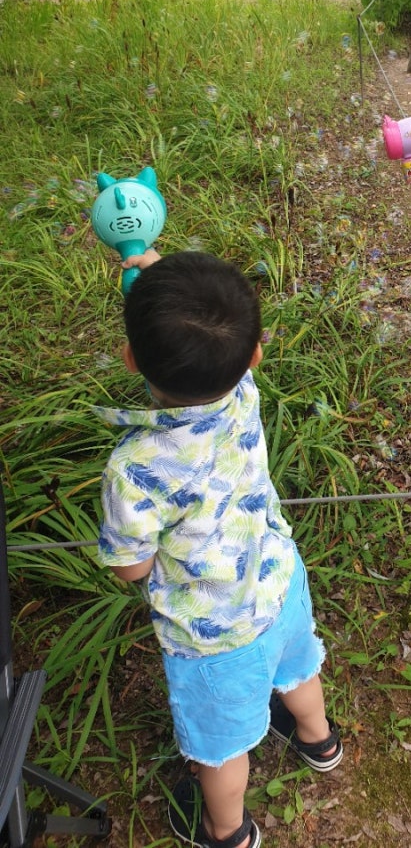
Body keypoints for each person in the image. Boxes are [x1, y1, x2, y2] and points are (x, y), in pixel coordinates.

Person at [95, 249, 342, 848]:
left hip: (214, 635)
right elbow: (219, 329)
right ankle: (318, 739)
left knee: (223, 746)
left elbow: (131, 567)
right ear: (254, 355)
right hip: (280, 583)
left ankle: (225, 829)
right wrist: (159, 263)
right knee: (297, 666)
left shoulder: (133, 467)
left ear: (130, 360)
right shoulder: (243, 393)